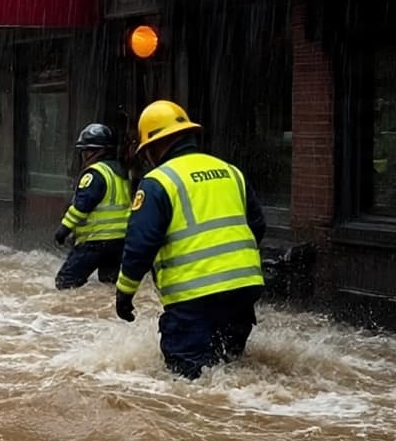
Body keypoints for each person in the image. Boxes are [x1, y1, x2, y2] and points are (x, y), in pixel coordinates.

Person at [114, 100, 267, 379]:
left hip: (194, 298)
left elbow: (140, 245)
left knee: (187, 380)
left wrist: (124, 293)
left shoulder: (158, 182)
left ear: (154, 147)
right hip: (244, 289)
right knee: (231, 372)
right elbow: (257, 225)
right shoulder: (230, 171)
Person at [53, 123, 132, 289]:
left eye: (85, 150)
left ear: (97, 151)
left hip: (94, 241)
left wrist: (63, 230)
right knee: (109, 285)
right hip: (119, 242)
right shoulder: (120, 172)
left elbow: (81, 207)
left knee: (65, 283)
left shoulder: (95, 173)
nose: (83, 155)